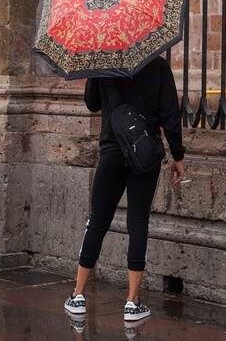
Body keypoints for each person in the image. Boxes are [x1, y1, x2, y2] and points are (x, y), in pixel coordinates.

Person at [64, 56, 186, 323]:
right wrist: (178, 155)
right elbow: (170, 114)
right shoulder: (158, 65)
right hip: (145, 153)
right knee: (138, 223)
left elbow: (91, 104)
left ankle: (78, 295)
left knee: (97, 221)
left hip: (112, 150)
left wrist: (95, 71)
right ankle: (133, 302)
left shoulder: (104, 61)